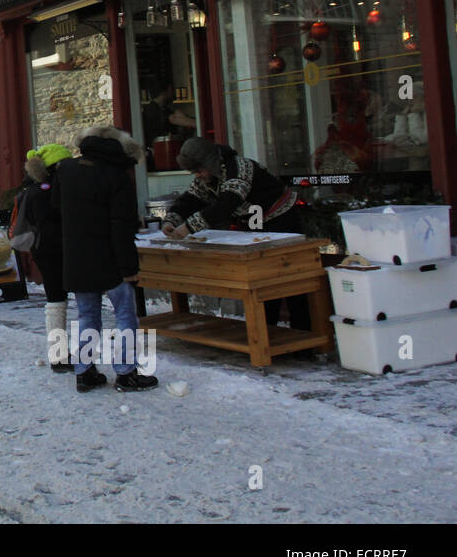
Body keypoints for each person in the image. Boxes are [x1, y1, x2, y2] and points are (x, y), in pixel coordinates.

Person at [163, 136, 309, 330]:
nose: (197, 175)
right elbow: (190, 199)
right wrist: (172, 219)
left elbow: (227, 203)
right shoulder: (208, 177)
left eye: (198, 170)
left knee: (291, 281)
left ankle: (301, 335)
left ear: (210, 163)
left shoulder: (239, 168)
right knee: (263, 282)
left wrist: (188, 227)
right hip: (257, 228)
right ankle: (269, 332)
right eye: (193, 172)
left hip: (283, 222)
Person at [57, 126, 158, 393]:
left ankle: (84, 371)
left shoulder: (66, 170)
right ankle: (126, 374)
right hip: (111, 258)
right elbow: (121, 226)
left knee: (87, 315)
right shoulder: (116, 176)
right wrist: (130, 268)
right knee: (125, 315)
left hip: (77, 256)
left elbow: (58, 211)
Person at [20, 143, 73, 372]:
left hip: (45, 250)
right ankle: (59, 355)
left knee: (56, 300)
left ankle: (59, 354)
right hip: (53, 251)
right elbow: (51, 225)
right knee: (57, 301)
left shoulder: (33, 189)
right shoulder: (44, 192)